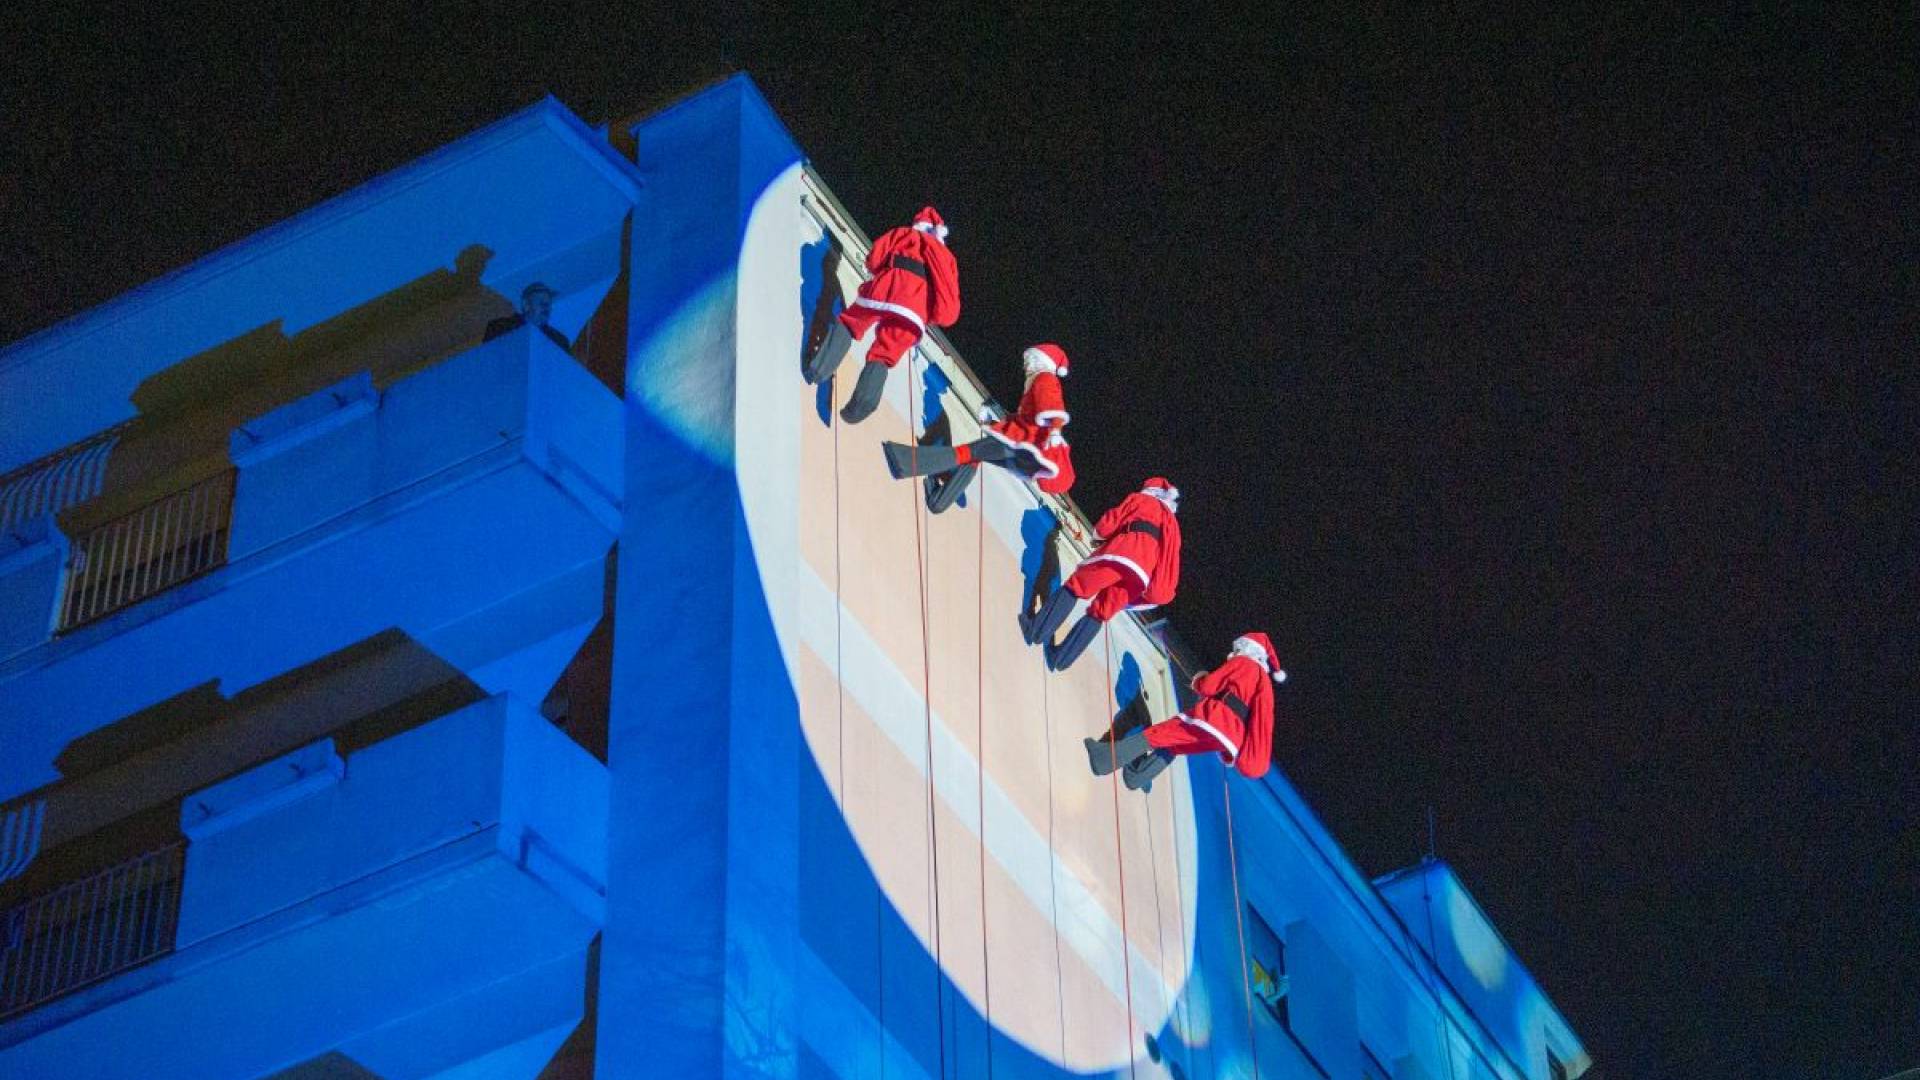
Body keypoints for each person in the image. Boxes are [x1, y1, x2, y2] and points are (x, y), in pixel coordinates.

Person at [803, 206, 962, 424]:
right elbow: (948, 309)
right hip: (914, 310)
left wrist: (881, 272)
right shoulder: (945, 258)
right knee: (884, 354)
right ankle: (860, 406)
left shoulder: (904, 234)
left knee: (852, 323)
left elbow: (874, 258)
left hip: (886, 288)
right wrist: (927, 314)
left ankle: (818, 368)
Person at [1086, 633, 1286, 791]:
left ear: (1247, 647)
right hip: (1232, 740)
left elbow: (1208, 686)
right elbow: (1263, 724)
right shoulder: (1266, 686)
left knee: (1160, 734)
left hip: (1215, 719)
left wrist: (1198, 680)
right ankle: (1137, 775)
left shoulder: (1244, 663)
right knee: (1176, 746)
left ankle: (1103, 759)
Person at [1022, 477, 1183, 671]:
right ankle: (1060, 659)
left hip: (1123, 556)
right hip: (1142, 577)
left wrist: (1099, 536)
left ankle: (1036, 631)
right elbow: (1170, 563)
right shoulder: (1173, 526)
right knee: (1101, 612)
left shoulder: (1142, 500)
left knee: (1077, 586)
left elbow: (1111, 521)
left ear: (1150, 490)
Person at [880, 342, 1076, 495]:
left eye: (1029, 360)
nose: (1025, 365)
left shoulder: (1044, 378)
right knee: (975, 455)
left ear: (1040, 360)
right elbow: (1023, 420)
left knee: (967, 452)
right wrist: (993, 423)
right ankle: (940, 499)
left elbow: (1052, 408)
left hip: (1026, 446)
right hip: (1026, 454)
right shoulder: (1036, 383)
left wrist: (1055, 431)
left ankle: (904, 462)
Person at [483, 282, 571, 351]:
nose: (546, 307)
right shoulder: (500, 328)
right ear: (526, 305)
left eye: (548, 303)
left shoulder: (559, 342)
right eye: (541, 302)